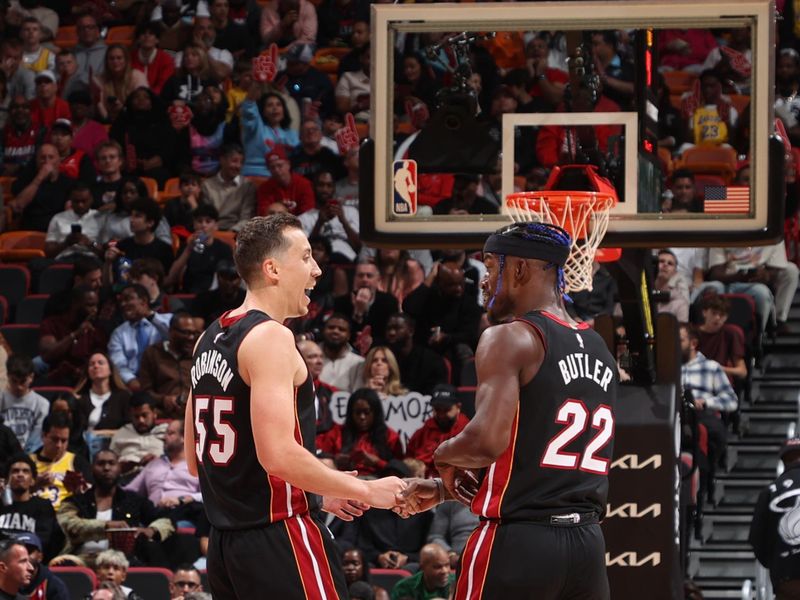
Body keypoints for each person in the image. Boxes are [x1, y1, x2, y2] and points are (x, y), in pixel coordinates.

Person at [185, 214, 405, 599]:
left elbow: (195, 459)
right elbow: (279, 456)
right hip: (280, 537)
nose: (317, 269)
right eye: (305, 258)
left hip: (225, 545)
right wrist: (366, 490)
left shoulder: (207, 337)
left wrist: (315, 492)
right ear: (272, 268)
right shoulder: (271, 336)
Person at [401, 222, 618, 600]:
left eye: (489, 268)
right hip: (587, 546)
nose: (483, 282)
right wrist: (442, 491)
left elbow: (486, 442)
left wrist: (441, 457)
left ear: (518, 269)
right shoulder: (600, 348)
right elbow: (539, 463)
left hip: (518, 544)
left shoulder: (509, 337)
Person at [57, 451, 173, 565]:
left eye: (112, 463)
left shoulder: (133, 500)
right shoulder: (76, 501)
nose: (106, 468)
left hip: (121, 562)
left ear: (119, 468)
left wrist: (152, 530)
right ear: (92, 469)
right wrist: (106, 526)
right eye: (101, 464)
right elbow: (69, 525)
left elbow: (166, 520)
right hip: (80, 561)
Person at [123, 419, 203, 523]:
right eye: (165, 433)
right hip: (152, 514)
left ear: (184, 437)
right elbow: (130, 491)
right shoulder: (153, 464)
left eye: (171, 433)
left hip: (183, 513)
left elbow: (208, 496)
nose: (165, 438)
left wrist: (182, 500)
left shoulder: (197, 466)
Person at [749, 437, 800, 599]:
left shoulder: (771, 491)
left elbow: (757, 539)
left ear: (783, 460)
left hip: (787, 579)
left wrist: (776, 563)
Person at [317, 388, 403, 477]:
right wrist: (335, 460)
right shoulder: (336, 433)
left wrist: (377, 462)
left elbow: (400, 469)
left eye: (366, 412)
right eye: (358, 413)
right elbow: (319, 456)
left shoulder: (390, 436)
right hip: (344, 481)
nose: (362, 417)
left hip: (379, 481)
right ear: (351, 413)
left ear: (375, 413)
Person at [0, 455, 65, 562]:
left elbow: (45, 541)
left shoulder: (43, 506)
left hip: (29, 559)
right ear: (6, 480)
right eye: (15, 471)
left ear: (33, 481)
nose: (20, 475)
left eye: (25, 471)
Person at [38, 285, 107, 386]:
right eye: (90, 305)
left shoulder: (98, 328)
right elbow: (48, 355)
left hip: (87, 380)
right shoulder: (52, 323)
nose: (95, 310)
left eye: (96, 305)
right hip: (57, 379)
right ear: (75, 304)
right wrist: (75, 334)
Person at [108, 284, 173, 390]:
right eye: (121, 301)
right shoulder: (118, 333)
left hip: (164, 379)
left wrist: (149, 315)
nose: (123, 304)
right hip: (133, 385)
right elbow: (118, 363)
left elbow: (172, 334)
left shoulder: (165, 320)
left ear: (143, 300)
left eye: (128, 299)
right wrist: (131, 380)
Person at [138, 313, 199, 418]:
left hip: (195, 415)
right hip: (164, 415)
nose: (191, 338)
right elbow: (146, 392)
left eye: (194, 333)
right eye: (186, 333)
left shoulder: (198, 354)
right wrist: (163, 399)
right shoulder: (152, 354)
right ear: (171, 332)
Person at [30, 412, 92, 510]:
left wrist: (81, 491)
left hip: (65, 514)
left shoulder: (77, 462)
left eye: (64, 441)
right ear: (43, 436)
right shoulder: (27, 462)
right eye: (55, 439)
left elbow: (91, 496)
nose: (59, 445)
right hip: (34, 513)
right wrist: (35, 484)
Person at [406, 384, 469, 478]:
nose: (441, 414)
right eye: (437, 410)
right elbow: (408, 459)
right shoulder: (422, 432)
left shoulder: (468, 432)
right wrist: (415, 465)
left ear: (458, 407)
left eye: (446, 410)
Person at [165, 205, 233, 293]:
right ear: (194, 224)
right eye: (199, 221)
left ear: (216, 225)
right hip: (189, 293)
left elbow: (229, 278)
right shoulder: (186, 246)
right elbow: (172, 278)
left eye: (208, 221)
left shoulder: (224, 248)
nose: (203, 225)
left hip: (214, 296)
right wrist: (188, 249)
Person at [384, 313, 448, 395]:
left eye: (397, 328)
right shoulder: (383, 360)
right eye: (388, 329)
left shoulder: (431, 361)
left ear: (411, 331)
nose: (391, 333)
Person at [200, 143, 257, 232]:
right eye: (234, 161)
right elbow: (207, 216)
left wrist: (232, 232)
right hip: (212, 231)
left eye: (241, 162)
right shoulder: (207, 185)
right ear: (222, 160)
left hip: (237, 232)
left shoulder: (247, 186)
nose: (238, 166)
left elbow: (247, 217)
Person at [0, 355, 49, 452]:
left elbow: (37, 437)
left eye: (23, 382)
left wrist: (25, 454)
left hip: (29, 454)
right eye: (14, 381)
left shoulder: (42, 404)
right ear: (8, 376)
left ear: (31, 377)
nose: (19, 387)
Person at [109, 393, 167, 474]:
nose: (141, 420)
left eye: (144, 415)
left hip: (159, 475)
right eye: (136, 416)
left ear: (154, 413)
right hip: (128, 477)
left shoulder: (167, 432)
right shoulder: (122, 433)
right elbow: (110, 463)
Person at [74, 352, 131, 433]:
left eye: (100, 363)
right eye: (91, 364)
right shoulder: (80, 398)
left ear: (110, 370)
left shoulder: (124, 397)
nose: (96, 366)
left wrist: (100, 433)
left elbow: (129, 428)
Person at [256, 145, 315, 216]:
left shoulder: (304, 184)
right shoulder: (265, 188)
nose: (276, 170)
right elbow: (263, 213)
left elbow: (308, 213)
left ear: (288, 165)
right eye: (272, 167)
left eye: (280, 165)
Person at [14, 531, 69, 600]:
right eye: (18, 552)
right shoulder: (5, 581)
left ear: (40, 557)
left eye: (29, 551)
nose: (24, 556)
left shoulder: (53, 585)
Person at [318, 313, 364, 393]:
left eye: (341, 329)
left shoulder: (359, 362)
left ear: (348, 336)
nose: (335, 331)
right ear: (323, 331)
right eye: (331, 327)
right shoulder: (310, 357)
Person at [191, 260, 246, 327]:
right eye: (225, 277)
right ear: (217, 277)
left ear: (240, 279)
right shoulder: (203, 299)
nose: (228, 283)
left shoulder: (247, 299)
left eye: (233, 278)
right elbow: (197, 328)